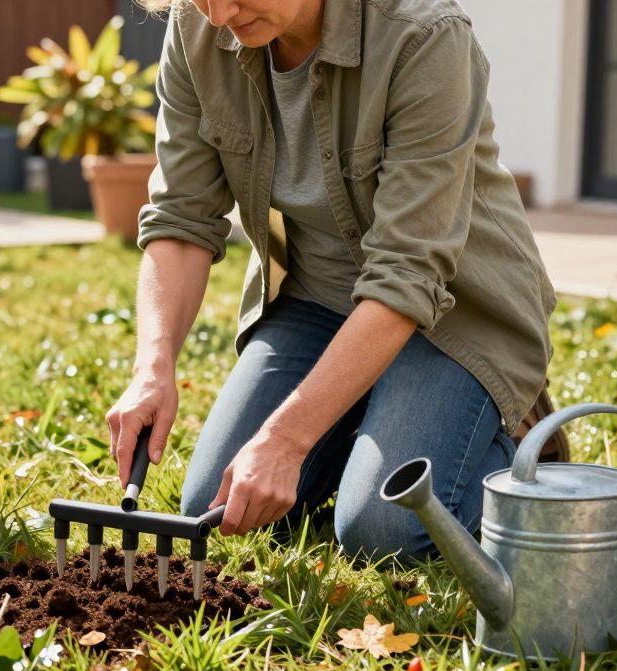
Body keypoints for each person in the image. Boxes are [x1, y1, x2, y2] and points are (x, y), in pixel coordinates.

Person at [105, 0, 557, 560]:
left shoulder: (426, 35)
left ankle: (510, 438)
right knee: (214, 505)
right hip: (316, 302)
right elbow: (180, 216)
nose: (219, 15)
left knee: (385, 531)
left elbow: (407, 271)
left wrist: (288, 439)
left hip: (452, 314)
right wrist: (153, 369)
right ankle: (374, 423)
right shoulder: (197, 28)